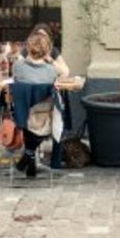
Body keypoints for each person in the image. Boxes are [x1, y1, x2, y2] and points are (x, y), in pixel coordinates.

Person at [11, 32, 69, 177]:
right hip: (44, 118)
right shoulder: (51, 71)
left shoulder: (18, 66)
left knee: (28, 112)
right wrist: (49, 59)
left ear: (28, 48)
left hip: (22, 116)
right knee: (40, 114)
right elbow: (65, 72)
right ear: (47, 50)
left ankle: (29, 155)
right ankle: (30, 155)